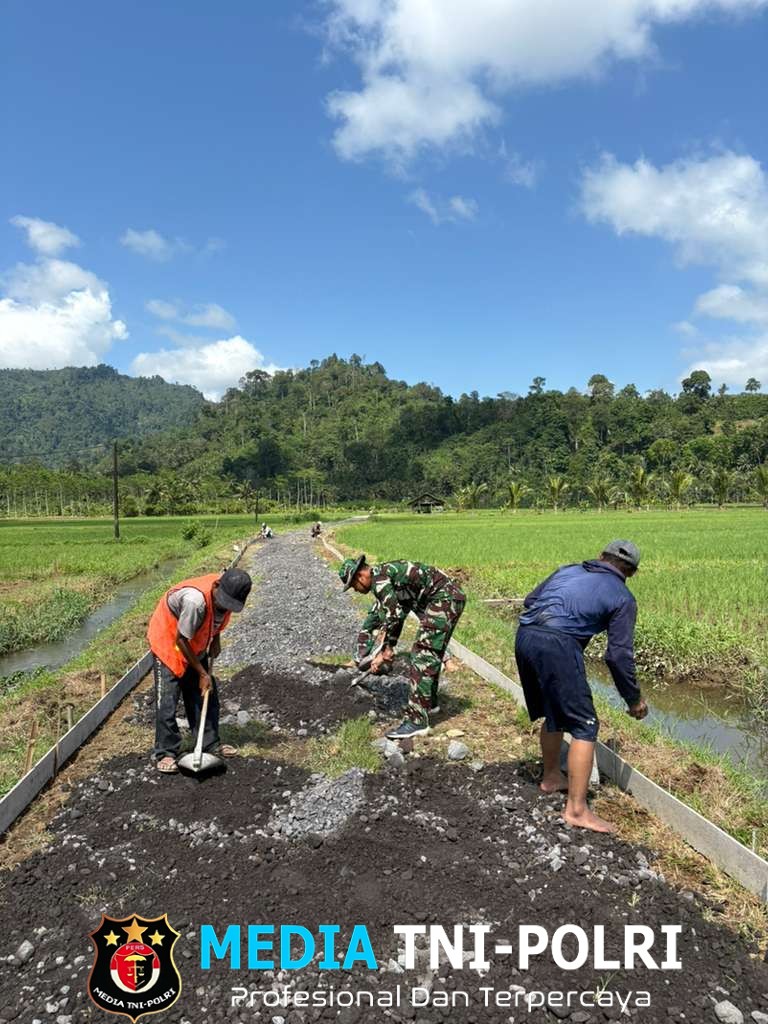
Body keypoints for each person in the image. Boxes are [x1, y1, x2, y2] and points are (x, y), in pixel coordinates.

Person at [515, 540, 648, 833]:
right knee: (585, 724)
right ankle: (576, 809)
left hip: (525, 636)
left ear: (601, 557)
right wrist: (633, 699)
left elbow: (530, 601)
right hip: (557, 645)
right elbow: (618, 656)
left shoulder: (568, 570)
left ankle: (551, 777)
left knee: (554, 709)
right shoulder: (623, 597)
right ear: (632, 573)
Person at [338, 554, 466, 740]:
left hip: (444, 599)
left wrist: (382, 654)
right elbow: (400, 613)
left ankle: (416, 721)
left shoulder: (379, 581)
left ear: (360, 576)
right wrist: (388, 647)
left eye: (353, 586)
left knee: (423, 655)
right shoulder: (385, 576)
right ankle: (429, 704)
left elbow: (394, 615)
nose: (356, 590)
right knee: (431, 653)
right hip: (448, 597)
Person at [147, 568, 252, 774]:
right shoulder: (196, 601)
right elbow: (181, 640)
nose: (225, 607)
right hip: (170, 641)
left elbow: (216, 618)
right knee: (167, 699)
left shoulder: (227, 594)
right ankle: (166, 752)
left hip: (195, 642)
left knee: (204, 694)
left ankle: (209, 744)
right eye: (223, 602)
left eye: (230, 605)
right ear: (217, 587)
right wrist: (202, 673)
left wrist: (215, 638)